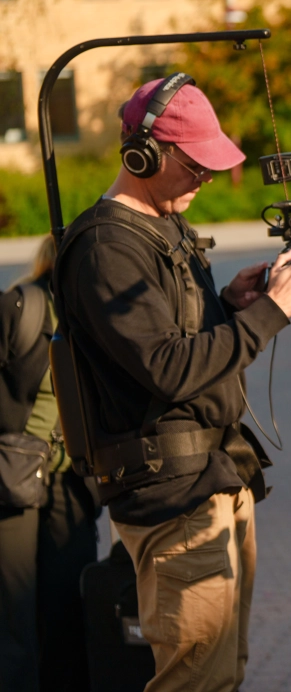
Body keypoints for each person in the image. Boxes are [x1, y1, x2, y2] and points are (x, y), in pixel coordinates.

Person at [54, 75, 291, 692]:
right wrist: (273, 312)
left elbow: (179, 343)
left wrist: (231, 305)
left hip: (214, 477)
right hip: (170, 495)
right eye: (196, 163)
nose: (206, 178)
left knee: (220, 672)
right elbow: (169, 369)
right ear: (143, 154)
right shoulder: (106, 247)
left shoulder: (164, 226)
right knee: (194, 679)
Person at [0, 235, 100, 692]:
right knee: (13, 611)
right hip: (12, 477)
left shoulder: (98, 314)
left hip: (72, 482)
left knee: (67, 607)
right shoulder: (24, 306)